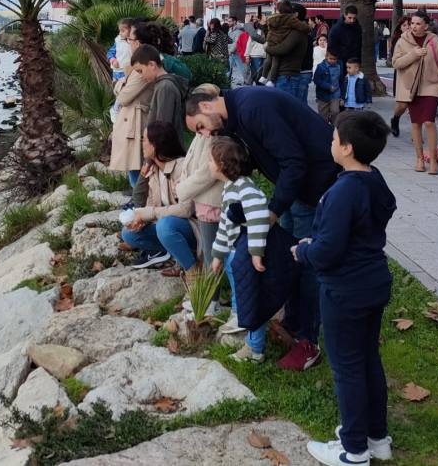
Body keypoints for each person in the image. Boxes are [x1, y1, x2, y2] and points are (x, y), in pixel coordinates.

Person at [185, 88, 338, 371]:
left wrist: (274, 210)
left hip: (313, 186)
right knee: (289, 259)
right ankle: (292, 322)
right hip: (292, 190)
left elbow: (294, 161)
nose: (205, 135)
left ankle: (308, 341)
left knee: (306, 264)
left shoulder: (253, 108)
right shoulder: (236, 118)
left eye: (200, 127)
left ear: (206, 106)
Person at [296, 111, 396, 466]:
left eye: (334, 138)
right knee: (367, 358)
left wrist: (304, 251)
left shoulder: (342, 192)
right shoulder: (374, 179)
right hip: (373, 280)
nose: (331, 143)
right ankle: (377, 438)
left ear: (347, 148)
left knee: (347, 367)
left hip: (345, 289)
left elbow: (327, 251)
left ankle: (353, 450)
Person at [208, 136, 272, 362]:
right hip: (234, 255)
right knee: (241, 295)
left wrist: (256, 252)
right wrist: (218, 255)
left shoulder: (244, 188)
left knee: (250, 298)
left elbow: (259, 217)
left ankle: (254, 348)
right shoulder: (230, 187)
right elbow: (225, 226)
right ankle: (239, 321)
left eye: (210, 160)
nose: (208, 164)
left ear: (222, 165)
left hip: (244, 256)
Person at [121, 121, 190, 270]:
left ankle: (191, 268)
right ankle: (170, 252)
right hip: (167, 226)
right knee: (128, 234)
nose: (142, 143)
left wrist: (150, 213)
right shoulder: (154, 171)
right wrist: (142, 221)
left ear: (155, 144)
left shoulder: (182, 167)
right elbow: (147, 203)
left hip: (189, 227)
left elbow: (187, 209)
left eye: (144, 139)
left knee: (165, 225)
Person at [391, 11, 438, 175]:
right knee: (416, 123)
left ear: (426, 26)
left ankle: (433, 160)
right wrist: (413, 54)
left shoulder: (434, 41)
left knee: (428, 122)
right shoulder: (402, 41)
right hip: (410, 87)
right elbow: (396, 63)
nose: (414, 26)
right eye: (412, 23)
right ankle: (419, 158)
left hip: (430, 86)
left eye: (418, 24)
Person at [175, 84, 225, 279]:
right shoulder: (202, 131)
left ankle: (212, 294)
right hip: (203, 202)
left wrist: (182, 189)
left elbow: (208, 172)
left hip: (212, 202)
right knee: (208, 252)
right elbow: (191, 161)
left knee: (213, 257)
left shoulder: (213, 133)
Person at [109, 51, 154, 190]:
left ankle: (138, 195)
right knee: (132, 161)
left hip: (137, 121)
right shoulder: (135, 68)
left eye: (131, 40)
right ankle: (136, 193)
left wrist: (121, 83)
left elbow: (123, 97)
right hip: (131, 120)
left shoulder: (141, 71)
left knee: (136, 161)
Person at [130, 44, 188, 129]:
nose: (141, 76)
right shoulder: (162, 84)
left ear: (152, 65)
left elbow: (162, 126)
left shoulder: (164, 87)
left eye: (140, 71)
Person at [260, 1, 309, 89]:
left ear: (296, 14)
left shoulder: (297, 31)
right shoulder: (293, 27)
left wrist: (267, 48)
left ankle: (266, 78)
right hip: (287, 74)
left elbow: (282, 49)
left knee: (271, 61)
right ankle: (266, 78)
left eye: (291, 12)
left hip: (287, 75)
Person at [388, 14, 412, 137]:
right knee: (402, 105)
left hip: (417, 75)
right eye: (404, 25)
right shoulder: (397, 41)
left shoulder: (419, 39)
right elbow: (396, 61)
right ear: (400, 28)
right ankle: (395, 119)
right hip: (402, 75)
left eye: (409, 24)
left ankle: (416, 133)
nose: (407, 27)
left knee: (415, 105)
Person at [313, 49, 343, 127]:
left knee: (335, 111)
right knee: (323, 115)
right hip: (323, 95)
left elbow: (341, 80)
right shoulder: (321, 67)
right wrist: (327, 86)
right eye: (330, 59)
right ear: (326, 57)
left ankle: (333, 127)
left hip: (335, 94)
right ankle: (324, 127)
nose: (332, 61)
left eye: (335, 59)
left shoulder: (339, 66)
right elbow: (316, 80)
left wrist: (342, 95)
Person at [109, 18, 133, 82]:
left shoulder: (134, 42)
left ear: (131, 30)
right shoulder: (118, 40)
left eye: (122, 31)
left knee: (125, 86)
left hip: (127, 71)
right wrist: (113, 60)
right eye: (119, 31)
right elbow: (110, 52)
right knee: (116, 86)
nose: (120, 33)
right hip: (116, 71)